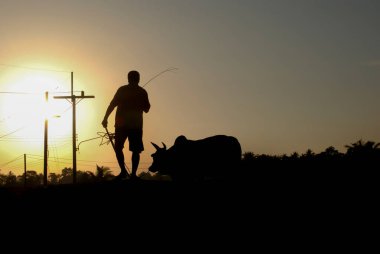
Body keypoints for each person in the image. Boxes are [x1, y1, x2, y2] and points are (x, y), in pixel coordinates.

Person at [102, 70, 150, 180]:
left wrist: (105, 118)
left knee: (124, 148)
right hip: (131, 126)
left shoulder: (126, 90)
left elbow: (112, 104)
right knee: (133, 150)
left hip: (126, 125)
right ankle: (129, 173)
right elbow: (147, 109)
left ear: (128, 79)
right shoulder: (141, 91)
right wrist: (105, 118)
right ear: (138, 79)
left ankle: (127, 173)